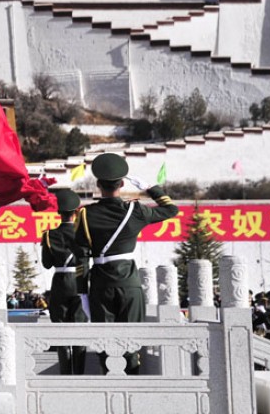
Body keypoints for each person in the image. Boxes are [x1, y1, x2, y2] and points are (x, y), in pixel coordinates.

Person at [71, 153, 179, 375]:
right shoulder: (135, 210)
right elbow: (171, 210)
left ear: (98, 184)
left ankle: (111, 382)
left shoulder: (85, 215)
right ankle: (132, 384)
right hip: (130, 283)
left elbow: (80, 256)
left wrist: (82, 292)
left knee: (105, 341)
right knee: (132, 339)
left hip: (100, 285)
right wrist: (150, 188)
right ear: (122, 183)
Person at [40, 189, 88, 375]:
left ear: (58, 212)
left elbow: (46, 264)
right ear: (76, 211)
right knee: (79, 329)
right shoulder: (83, 234)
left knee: (60, 327)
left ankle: (65, 371)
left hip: (60, 282)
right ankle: (79, 372)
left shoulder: (49, 235)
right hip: (79, 281)